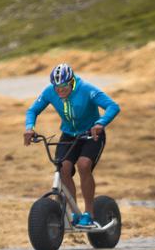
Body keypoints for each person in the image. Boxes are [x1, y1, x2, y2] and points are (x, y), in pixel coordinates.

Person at [23, 63, 120, 226]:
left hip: (92, 134)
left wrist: (101, 123)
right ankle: (75, 213)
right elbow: (32, 110)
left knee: (83, 165)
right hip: (69, 134)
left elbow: (113, 106)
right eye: (57, 87)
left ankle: (89, 213)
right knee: (63, 168)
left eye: (64, 86)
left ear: (72, 81)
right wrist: (29, 128)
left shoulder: (87, 89)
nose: (60, 91)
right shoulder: (49, 91)